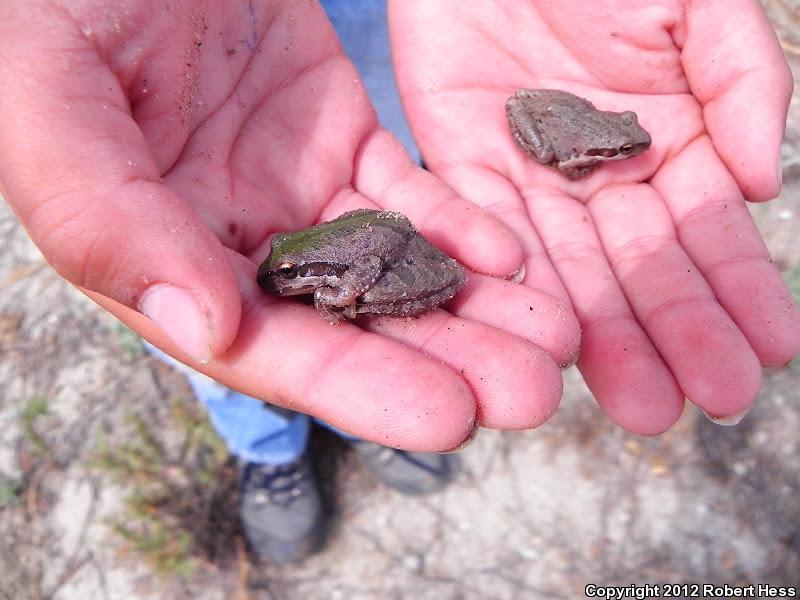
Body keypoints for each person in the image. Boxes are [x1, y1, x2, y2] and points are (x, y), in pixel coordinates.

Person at [0, 0, 797, 565]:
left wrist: (337, 296)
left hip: (377, 63)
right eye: (290, 269)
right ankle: (267, 448)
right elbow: (306, 268)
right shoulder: (289, 251)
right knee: (203, 316)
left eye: (293, 272)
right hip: (255, 70)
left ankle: (360, 428)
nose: (285, 276)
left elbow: (357, 270)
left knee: (372, 121)